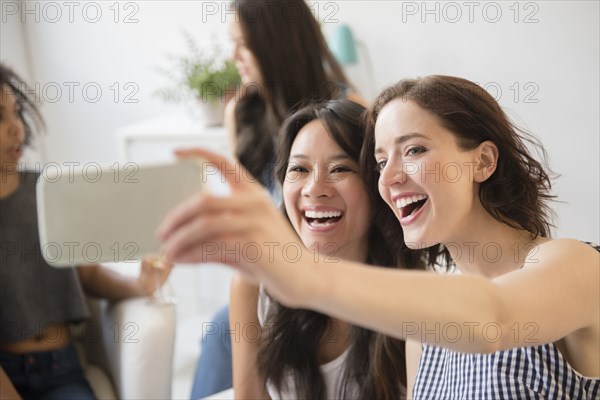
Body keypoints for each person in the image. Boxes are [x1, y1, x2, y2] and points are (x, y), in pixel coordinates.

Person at [158, 75, 599, 398]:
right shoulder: (422, 331)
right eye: (380, 160)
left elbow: (493, 319)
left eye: (414, 150)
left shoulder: (574, 264)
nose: (388, 178)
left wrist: (305, 274)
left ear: (483, 162)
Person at [191, 0, 367, 397]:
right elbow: (247, 211)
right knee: (228, 323)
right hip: (271, 267)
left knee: (224, 327)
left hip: (335, 261)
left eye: (243, 44)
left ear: (276, 44)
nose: (233, 56)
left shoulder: (350, 109)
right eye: (298, 169)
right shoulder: (242, 111)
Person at [0, 63, 172, 400]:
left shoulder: (47, 190)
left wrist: (138, 285)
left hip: (60, 371)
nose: (16, 129)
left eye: (16, 113)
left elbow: (86, 274)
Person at [232, 99, 423, 399]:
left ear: (376, 186)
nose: (314, 188)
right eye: (299, 169)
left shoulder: (420, 299)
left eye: (340, 169)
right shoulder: (253, 281)